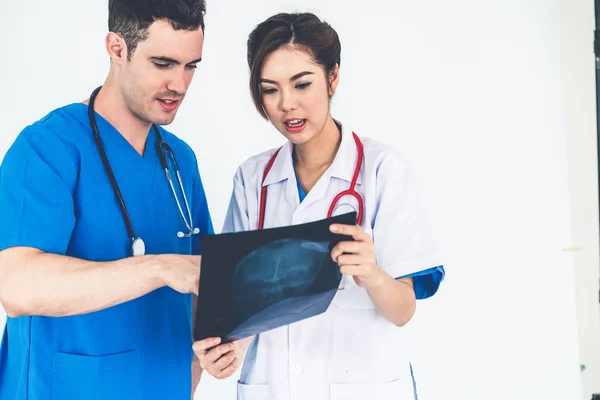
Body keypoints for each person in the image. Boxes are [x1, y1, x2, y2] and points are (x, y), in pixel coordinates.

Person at [192, 12, 445, 400]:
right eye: (270, 89)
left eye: (302, 84)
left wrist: (372, 273)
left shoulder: (382, 170)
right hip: (273, 386)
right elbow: (238, 306)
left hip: (363, 385)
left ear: (333, 78)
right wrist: (226, 353)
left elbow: (403, 310)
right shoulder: (252, 178)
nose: (287, 105)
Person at [0, 1, 212, 399]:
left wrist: (207, 356)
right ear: (117, 48)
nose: (180, 85)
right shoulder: (47, 148)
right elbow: (16, 285)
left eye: (191, 66)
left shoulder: (179, 160)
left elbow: (203, 280)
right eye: (163, 64)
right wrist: (159, 268)